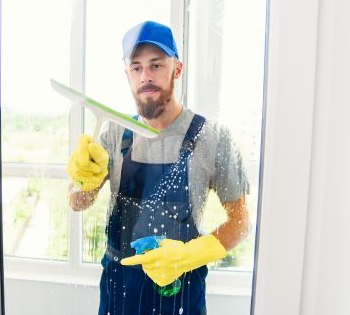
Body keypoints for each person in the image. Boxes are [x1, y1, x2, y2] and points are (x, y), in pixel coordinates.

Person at [67, 21, 250, 315]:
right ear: (127, 74)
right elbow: (78, 202)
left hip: (180, 291)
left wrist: (191, 254)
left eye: (156, 65)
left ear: (176, 69)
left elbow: (240, 221)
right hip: (119, 290)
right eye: (136, 67)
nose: (145, 77)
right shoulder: (114, 135)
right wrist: (82, 181)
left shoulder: (211, 137)